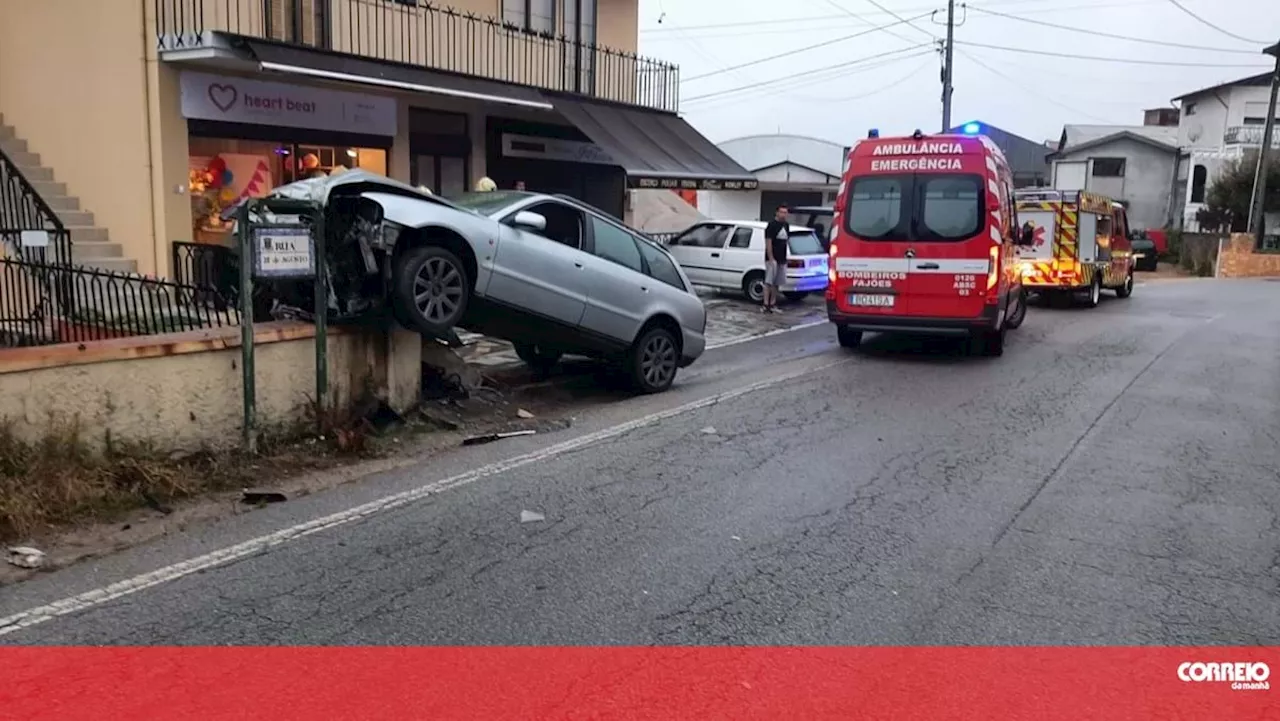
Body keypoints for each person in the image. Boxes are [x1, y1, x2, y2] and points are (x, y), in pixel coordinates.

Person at [762, 205, 790, 313]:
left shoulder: (786, 225)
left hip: (781, 258)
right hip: (772, 258)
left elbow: (786, 241)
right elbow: (768, 241)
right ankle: (765, 304)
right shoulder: (771, 225)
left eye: (785, 212)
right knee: (769, 281)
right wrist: (771, 258)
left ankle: (773, 303)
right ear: (777, 213)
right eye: (782, 212)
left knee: (777, 282)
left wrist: (785, 257)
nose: (783, 214)